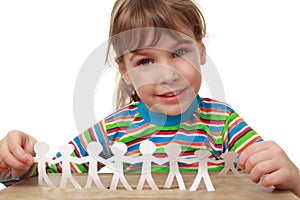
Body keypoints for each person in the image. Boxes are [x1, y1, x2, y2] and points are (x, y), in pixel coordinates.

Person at [0, 0, 299, 196]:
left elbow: (271, 178)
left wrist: (294, 178)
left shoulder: (222, 123)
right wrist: (17, 163)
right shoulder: (113, 130)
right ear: (125, 69)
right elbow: (50, 178)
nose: (168, 75)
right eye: (145, 62)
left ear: (201, 51)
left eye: (179, 53)